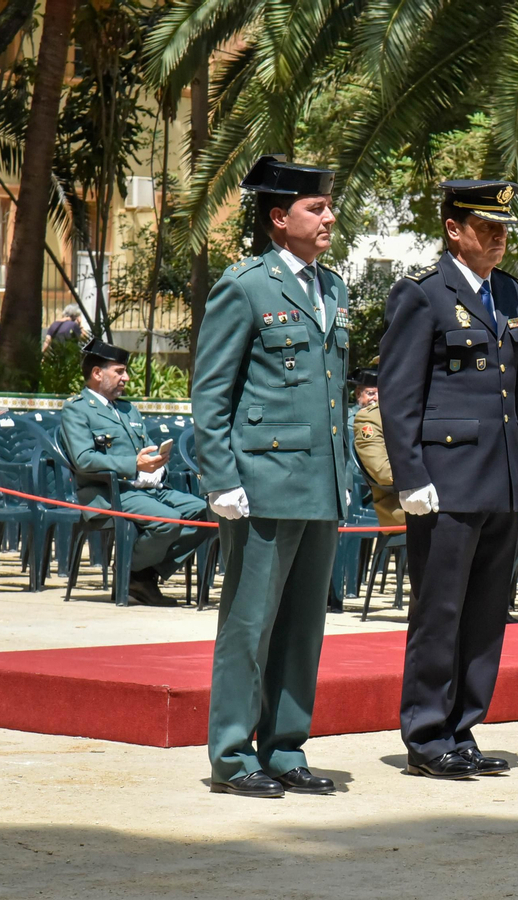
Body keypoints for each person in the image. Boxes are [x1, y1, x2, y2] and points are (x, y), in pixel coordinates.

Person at [193, 154, 350, 798]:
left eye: (328, 206)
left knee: (303, 624)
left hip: (320, 482)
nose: (329, 216)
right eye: (317, 208)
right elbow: (212, 391)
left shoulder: (333, 287)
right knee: (249, 623)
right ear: (280, 219)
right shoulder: (246, 285)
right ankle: (232, 754)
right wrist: (222, 478)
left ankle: (284, 745)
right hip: (261, 480)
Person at [377, 179, 518, 780]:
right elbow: (400, 392)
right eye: (486, 226)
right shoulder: (424, 295)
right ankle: (426, 732)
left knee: (488, 611)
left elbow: (511, 390)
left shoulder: (508, 292)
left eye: (503, 228)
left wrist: (517, 463)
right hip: (443, 479)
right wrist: (410, 476)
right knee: (439, 610)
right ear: (453, 229)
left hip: (497, 475)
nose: (498, 237)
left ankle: (463, 727)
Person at [61, 338, 210, 608]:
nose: (126, 378)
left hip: (147, 488)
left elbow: (145, 451)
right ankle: (134, 574)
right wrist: (134, 465)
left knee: (207, 514)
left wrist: (156, 464)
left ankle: (140, 574)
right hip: (109, 493)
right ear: (97, 373)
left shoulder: (128, 409)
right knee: (169, 521)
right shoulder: (77, 409)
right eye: (119, 371)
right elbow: (84, 460)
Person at [352, 360, 403, 528]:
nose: (374, 398)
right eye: (370, 393)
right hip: (397, 502)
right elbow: (382, 472)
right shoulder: (367, 418)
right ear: (358, 393)